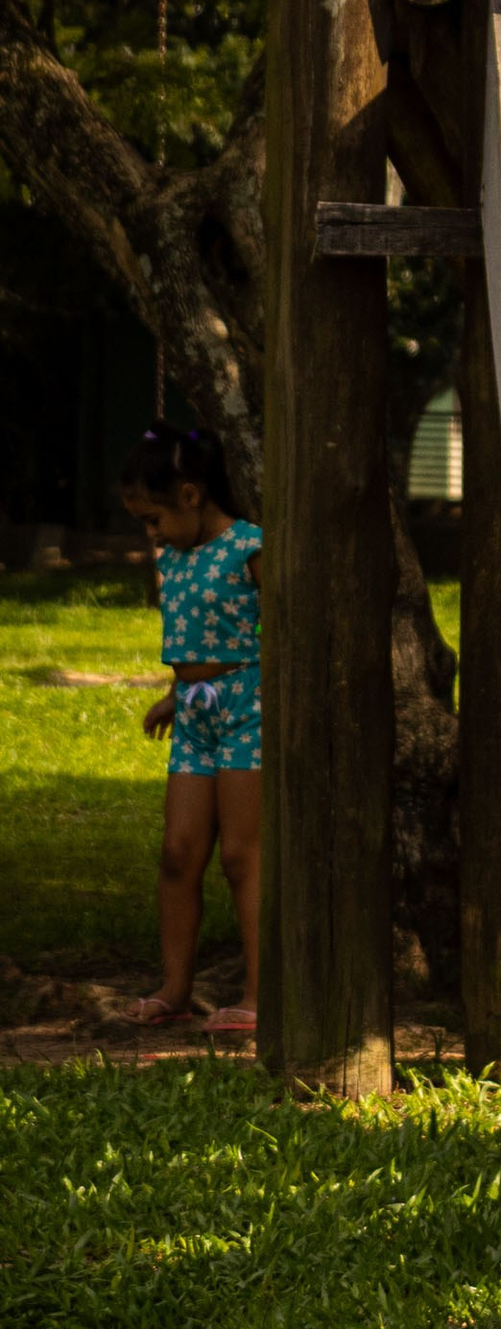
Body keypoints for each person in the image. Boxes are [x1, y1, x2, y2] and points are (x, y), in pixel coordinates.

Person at [116, 423, 261, 1034]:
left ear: (191, 496)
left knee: (240, 854)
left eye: (154, 519)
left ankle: (259, 994)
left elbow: (273, 635)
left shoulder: (250, 547)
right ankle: (176, 987)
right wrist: (175, 696)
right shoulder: (171, 557)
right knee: (178, 852)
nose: (150, 533)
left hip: (249, 705)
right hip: (195, 707)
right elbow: (193, 641)